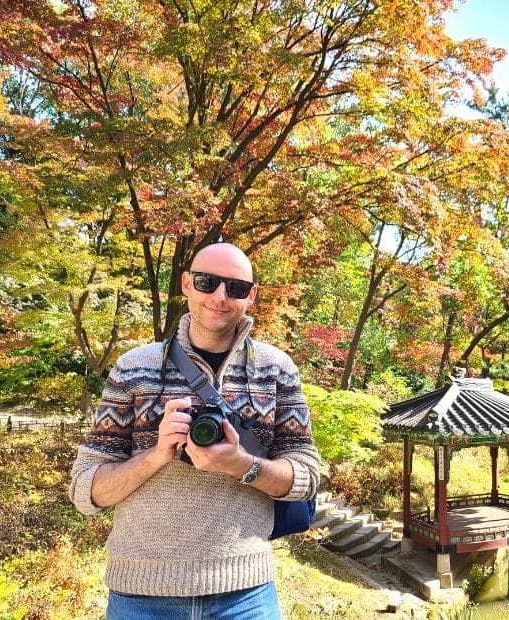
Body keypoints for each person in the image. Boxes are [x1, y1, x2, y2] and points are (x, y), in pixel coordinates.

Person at [69, 243, 320, 619]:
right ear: (187, 284)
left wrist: (242, 465)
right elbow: (85, 491)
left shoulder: (276, 368)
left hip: (246, 593)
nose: (220, 296)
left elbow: (308, 477)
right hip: (140, 594)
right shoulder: (134, 367)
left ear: (250, 296)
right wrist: (157, 454)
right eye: (207, 282)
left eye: (235, 288)